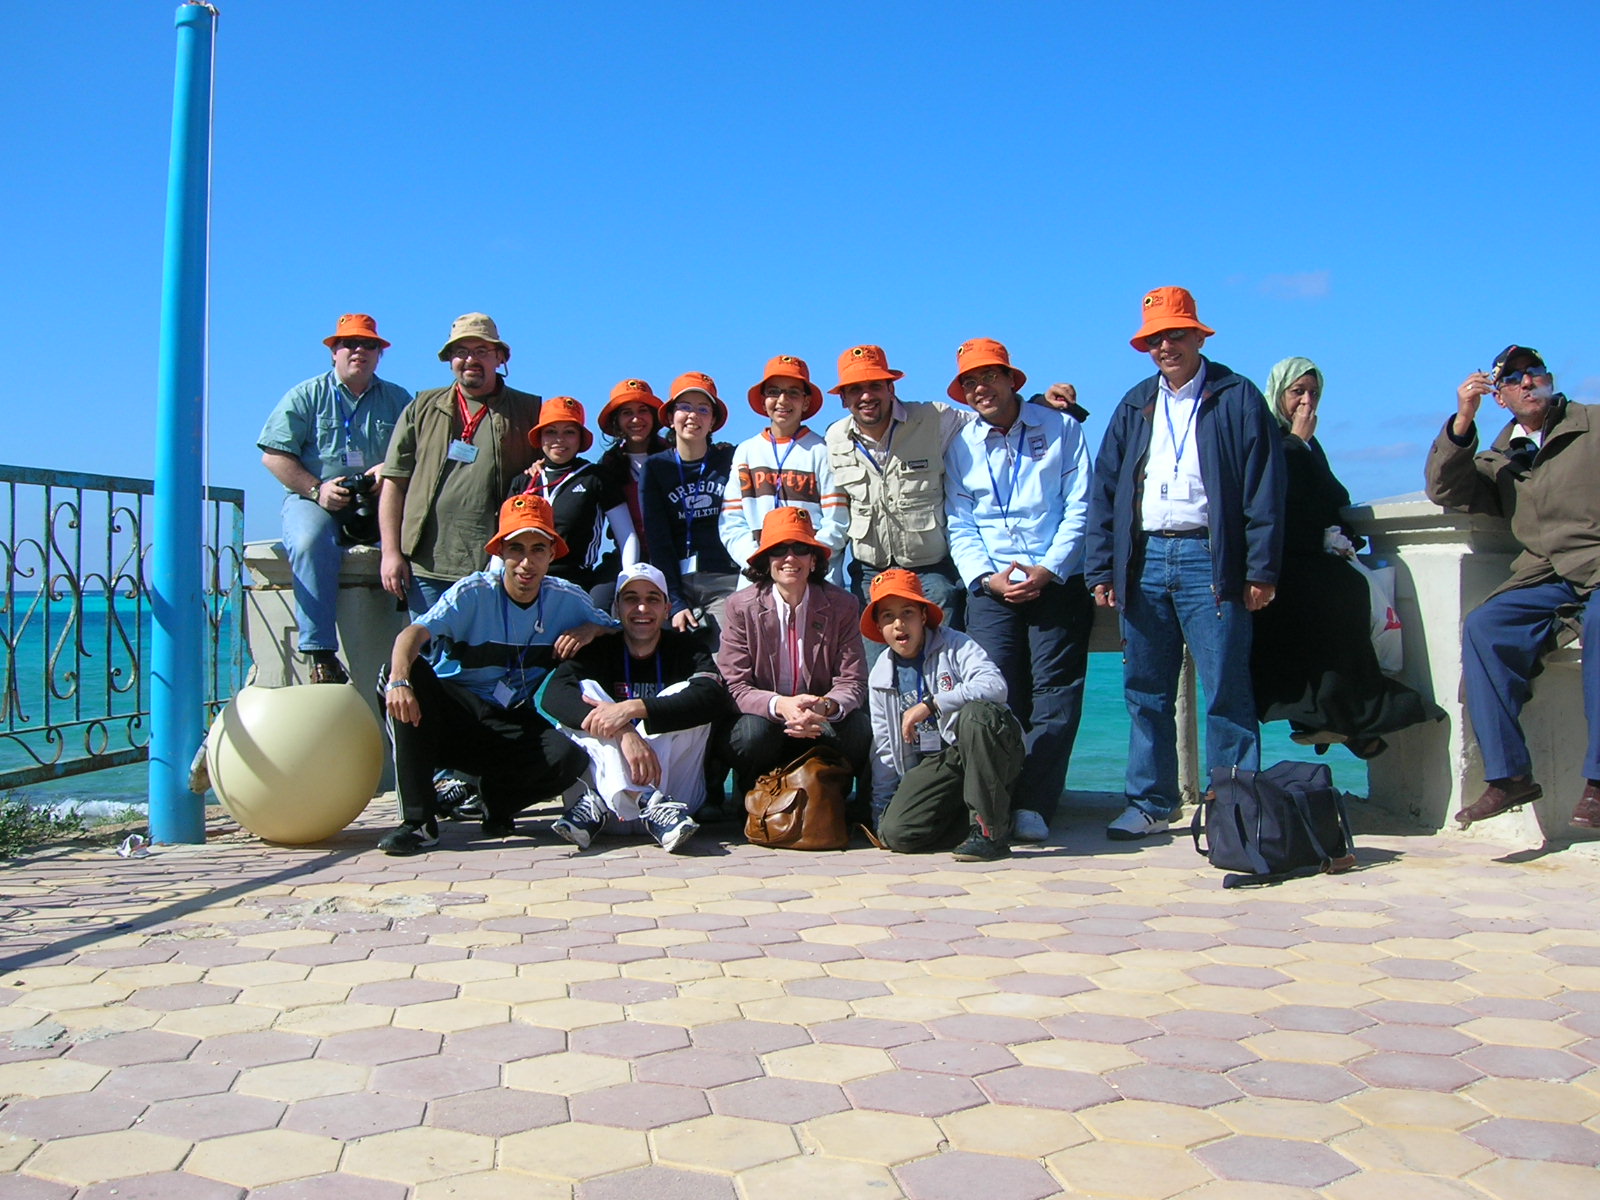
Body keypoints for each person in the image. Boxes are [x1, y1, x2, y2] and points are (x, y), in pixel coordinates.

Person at [1086, 286, 1285, 841]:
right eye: (1155, 339)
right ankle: (1150, 803)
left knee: (1226, 689)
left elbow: (1265, 489)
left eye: (1176, 335)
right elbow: (1106, 490)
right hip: (1144, 560)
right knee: (1144, 689)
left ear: (1199, 336)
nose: (1165, 347)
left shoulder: (1237, 397)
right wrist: (1101, 568)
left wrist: (1261, 570)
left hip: (1210, 558)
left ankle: (1234, 809)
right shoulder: (1134, 403)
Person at [376, 494, 614, 856]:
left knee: (569, 756)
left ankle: (496, 800)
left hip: (512, 721)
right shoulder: (472, 593)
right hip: (455, 718)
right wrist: (398, 680)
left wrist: (591, 630)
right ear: (500, 552)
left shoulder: (569, 599)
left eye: (538, 549)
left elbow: (620, 631)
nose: (526, 562)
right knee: (403, 675)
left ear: (552, 554)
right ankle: (418, 822)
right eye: (516, 549)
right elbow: (412, 634)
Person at [1425, 344, 1600, 830]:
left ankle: (1599, 781)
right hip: (1547, 576)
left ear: (1549, 379)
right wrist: (1464, 418)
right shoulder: (1500, 458)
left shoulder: (1592, 425)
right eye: (1513, 378)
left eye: (1534, 372)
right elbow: (1444, 489)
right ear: (1499, 396)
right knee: (1485, 626)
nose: (1527, 381)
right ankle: (1509, 777)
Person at [943, 337, 1095, 842]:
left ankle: (1036, 802)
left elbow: (1080, 505)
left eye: (990, 376)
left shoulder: (1062, 428)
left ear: (1012, 379)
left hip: (1058, 579)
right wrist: (986, 577)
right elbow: (959, 520)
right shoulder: (960, 444)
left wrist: (1049, 568)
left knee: (1056, 694)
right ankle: (996, 800)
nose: (980, 388)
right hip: (990, 585)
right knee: (993, 691)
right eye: (970, 381)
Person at [1251, 357, 1436, 756]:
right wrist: (1297, 443)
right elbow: (1274, 493)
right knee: (1333, 600)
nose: (1306, 402)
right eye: (1297, 392)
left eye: (1314, 393)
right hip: (1279, 559)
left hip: (1314, 555)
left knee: (1347, 595)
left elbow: (1329, 495)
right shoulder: (1265, 436)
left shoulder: (1307, 444)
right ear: (1278, 393)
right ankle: (1338, 720)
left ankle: (1346, 720)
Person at [257, 314, 412, 683]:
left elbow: (420, 451)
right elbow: (273, 456)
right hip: (314, 499)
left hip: (379, 501)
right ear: (333, 352)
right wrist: (318, 489)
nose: (359, 351)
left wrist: (387, 470)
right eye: (349, 344)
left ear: (380, 354)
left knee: (421, 538)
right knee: (308, 541)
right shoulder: (305, 395)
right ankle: (320, 654)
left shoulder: (399, 400)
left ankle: (425, 644)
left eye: (369, 345)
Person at [536, 563, 732, 853]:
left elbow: (712, 697)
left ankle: (646, 799)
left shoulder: (686, 648)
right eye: (631, 599)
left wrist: (631, 709)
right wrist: (623, 732)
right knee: (586, 692)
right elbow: (553, 696)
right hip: (598, 814)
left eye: (652, 599)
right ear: (617, 608)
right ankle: (641, 798)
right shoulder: (597, 648)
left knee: (683, 694)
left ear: (667, 609)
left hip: (673, 805)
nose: (642, 608)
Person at [379, 313, 540, 619]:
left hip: (496, 565)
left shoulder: (530, 411)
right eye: (461, 352)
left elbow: (557, 470)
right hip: (426, 566)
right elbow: (394, 482)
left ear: (500, 357)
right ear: (449, 359)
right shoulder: (421, 407)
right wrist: (390, 553)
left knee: (488, 649)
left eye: (481, 351)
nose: (470, 360)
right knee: (429, 648)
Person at [865, 569, 1024, 862]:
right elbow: (885, 749)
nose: (899, 624)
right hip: (939, 765)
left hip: (980, 748)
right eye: (888, 616)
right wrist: (880, 813)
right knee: (896, 833)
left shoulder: (956, 644)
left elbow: (995, 686)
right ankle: (979, 819)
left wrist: (933, 703)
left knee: (978, 715)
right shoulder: (880, 676)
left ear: (923, 616)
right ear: (879, 626)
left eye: (908, 613)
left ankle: (990, 833)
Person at [715, 507, 870, 797]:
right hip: (766, 721)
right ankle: (750, 800)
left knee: (859, 728)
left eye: (800, 548)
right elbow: (734, 686)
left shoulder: (843, 605)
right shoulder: (739, 606)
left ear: (814, 560)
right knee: (751, 734)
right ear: (766, 560)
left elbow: (853, 681)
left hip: (818, 720)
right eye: (778, 550)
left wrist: (824, 707)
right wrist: (781, 706)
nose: (789, 558)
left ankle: (844, 804)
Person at [824, 345, 972, 636]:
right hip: (870, 571)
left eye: (875, 386)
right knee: (873, 658)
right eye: (855, 389)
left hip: (931, 568)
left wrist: (1039, 404)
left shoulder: (934, 418)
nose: (866, 396)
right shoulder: (834, 438)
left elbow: (990, 419)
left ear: (890, 388)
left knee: (941, 648)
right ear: (843, 399)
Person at [720, 355, 848, 569]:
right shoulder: (746, 451)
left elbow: (837, 520)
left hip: (813, 573)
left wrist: (807, 562)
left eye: (793, 392)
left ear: (806, 402)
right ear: (763, 400)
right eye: (774, 392)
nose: (782, 400)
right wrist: (756, 561)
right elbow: (732, 521)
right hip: (758, 572)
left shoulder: (822, 451)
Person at [640, 372, 742, 636]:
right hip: (673, 580)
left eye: (703, 409)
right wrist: (674, 601)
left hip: (724, 578)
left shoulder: (731, 459)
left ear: (713, 421)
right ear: (670, 417)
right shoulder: (655, 467)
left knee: (727, 651)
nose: (693, 416)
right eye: (684, 407)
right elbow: (657, 538)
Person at [507, 396, 638, 597]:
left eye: (569, 432)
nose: (559, 439)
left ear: (580, 438)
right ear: (540, 437)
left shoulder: (596, 477)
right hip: (524, 582)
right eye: (551, 432)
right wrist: (496, 583)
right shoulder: (523, 481)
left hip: (575, 583)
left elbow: (627, 536)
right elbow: (504, 539)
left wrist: (627, 581)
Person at [593, 378, 671, 588]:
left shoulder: (674, 455)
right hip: (624, 555)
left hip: (674, 553)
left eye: (643, 410)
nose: (636, 419)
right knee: (598, 598)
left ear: (654, 416)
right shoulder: (608, 465)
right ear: (617, 421)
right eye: (627, 413)